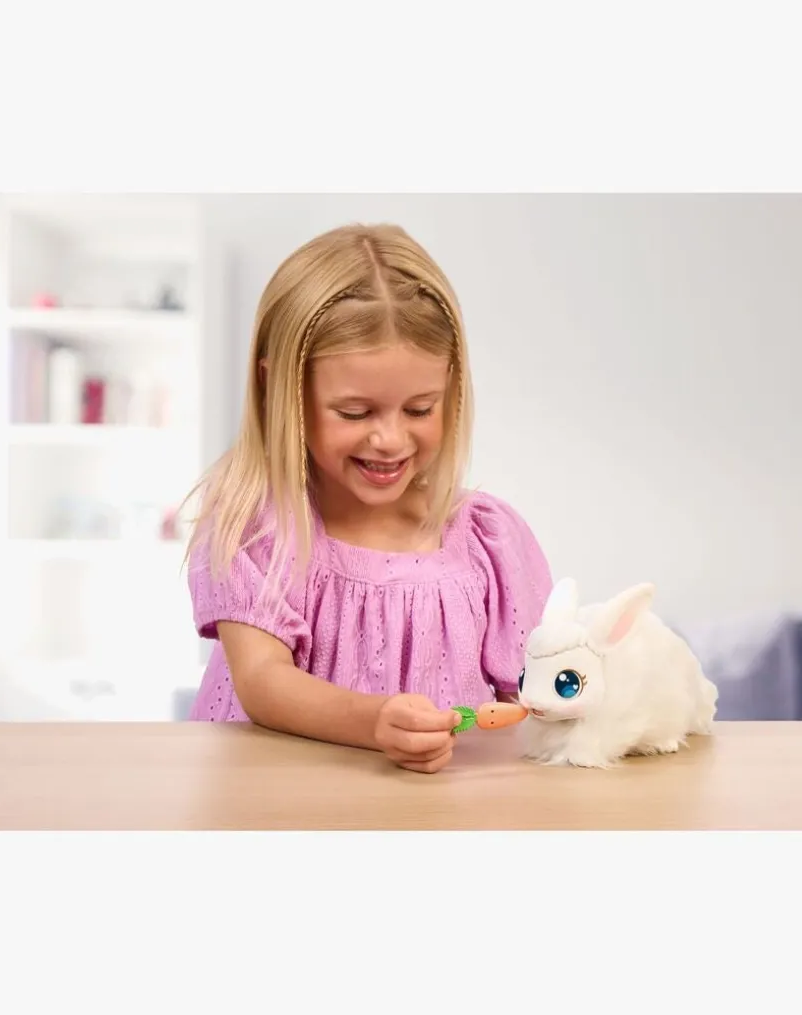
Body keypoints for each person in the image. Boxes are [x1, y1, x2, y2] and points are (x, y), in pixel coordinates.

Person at [185, 223, 552, 772]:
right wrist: (375, 723)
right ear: (279, 388)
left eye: (420, 409)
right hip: (270, 803)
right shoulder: (255, 525)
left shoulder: (489, 540)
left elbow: (538, 691)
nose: (390, 439)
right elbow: (262, 680)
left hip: (438, 813)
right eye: (355, 413)